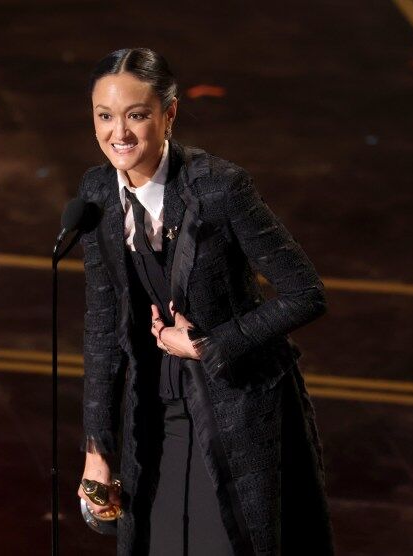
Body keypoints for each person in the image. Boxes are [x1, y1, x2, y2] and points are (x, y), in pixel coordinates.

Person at [75, 47, 335, 556]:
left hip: (235, 407)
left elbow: (306, 292)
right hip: (155, 412)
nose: (119, 134)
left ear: (168, 114)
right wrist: (96, 450)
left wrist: (208, 343)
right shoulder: (97, 195)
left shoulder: (220, 188)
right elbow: (103, 328)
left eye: (137, 115)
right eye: (105, 117)